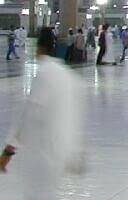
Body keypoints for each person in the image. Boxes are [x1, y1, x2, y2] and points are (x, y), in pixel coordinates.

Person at [1, 28, 86, 198]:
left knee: (36, 194)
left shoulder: (45, 74)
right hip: (59, 151)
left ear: (39, 48)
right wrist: (74, 150)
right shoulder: (68, 76)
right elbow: (74, 116)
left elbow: (31, 113)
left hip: (41, 152)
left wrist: (9, 150)